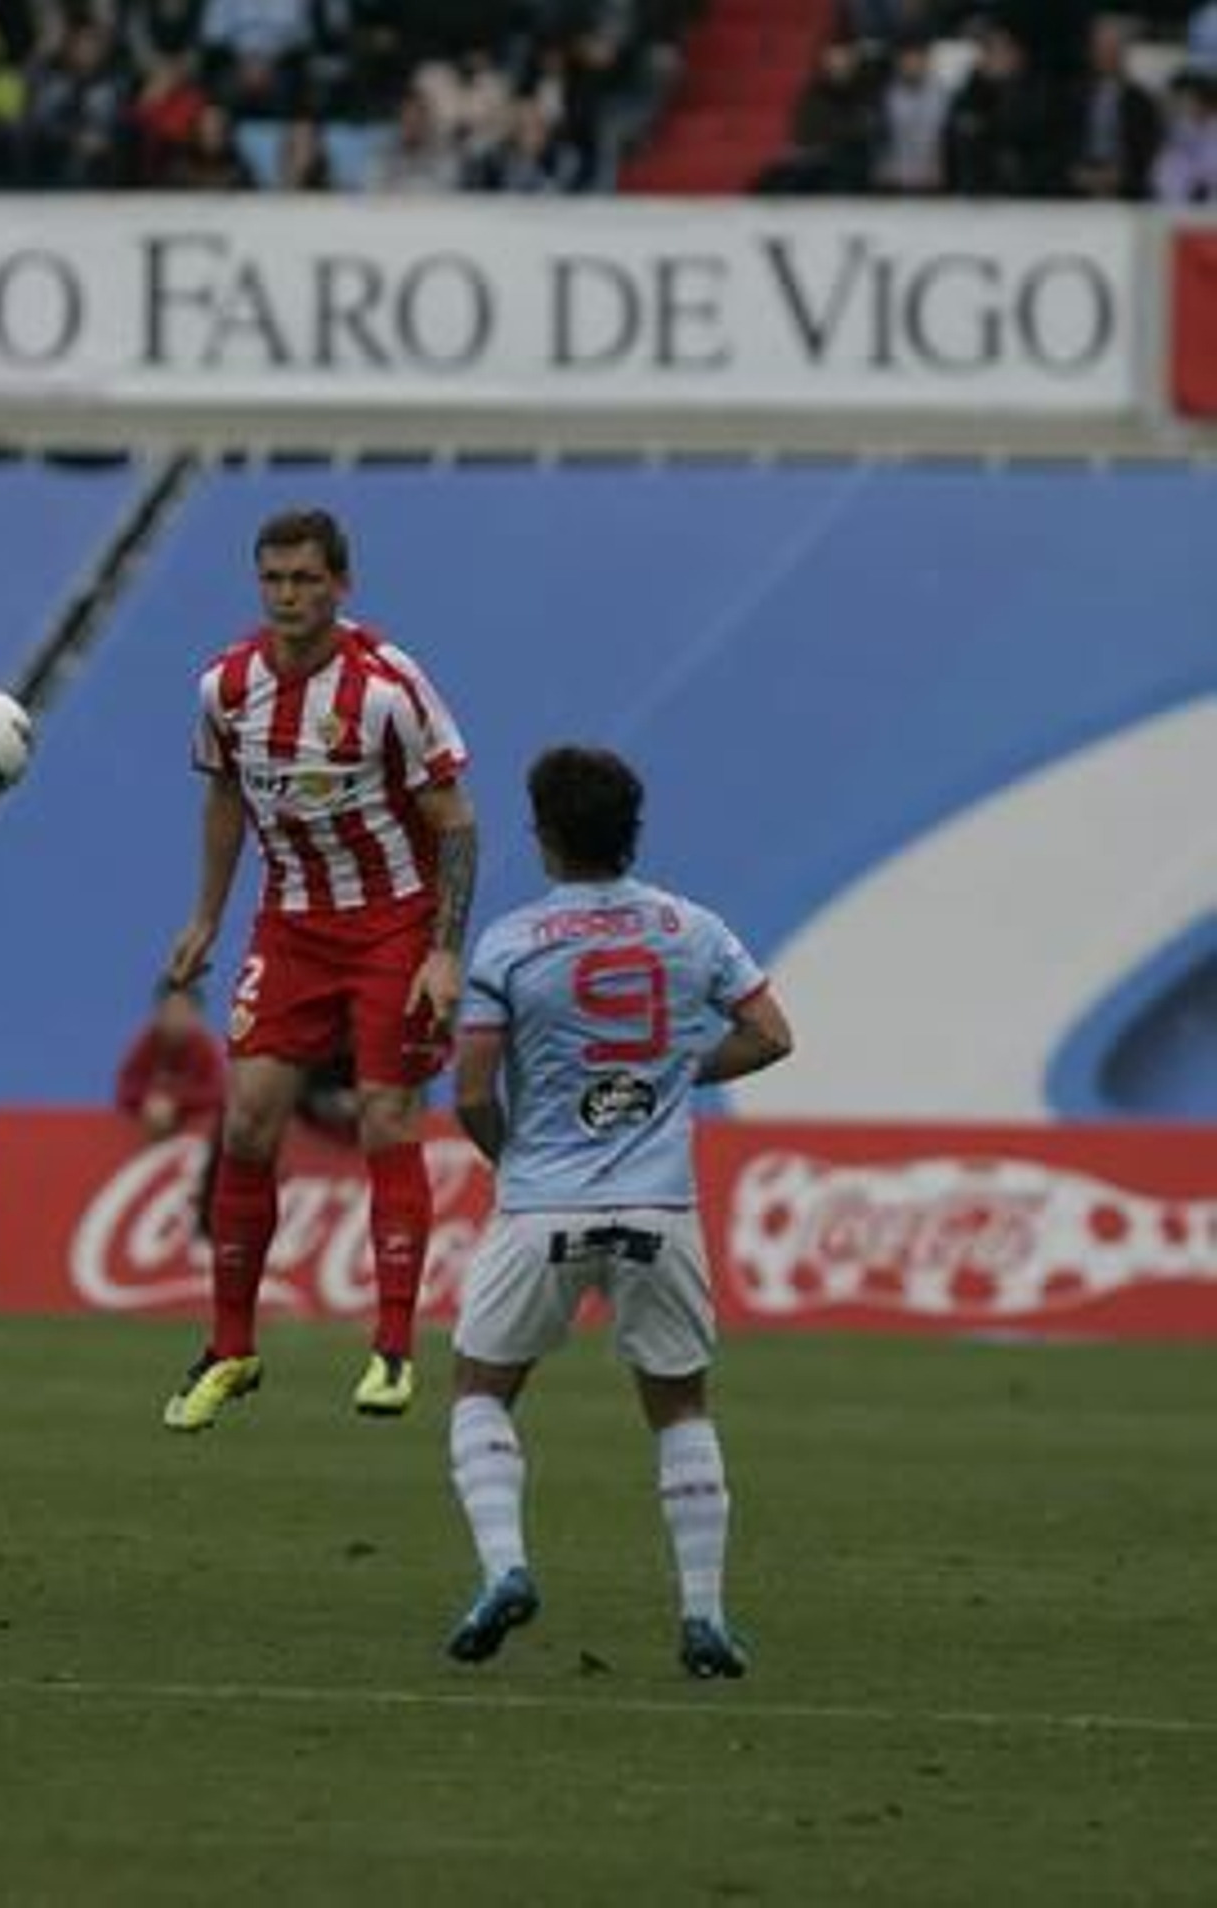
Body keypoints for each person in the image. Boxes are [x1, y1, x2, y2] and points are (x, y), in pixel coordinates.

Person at [442, 745, 793, 1679]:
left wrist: (515, 1158)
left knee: (481, 1391)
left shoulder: (511, 943)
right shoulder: (693, 926)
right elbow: (771, 1036)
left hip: (542, 1204)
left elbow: (471, 1092)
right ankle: (706, 1617)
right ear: (631, 831)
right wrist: (676, 1073)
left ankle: (507, 1567)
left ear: (545, 835)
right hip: (660, 1208)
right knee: (679, 1406)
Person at [161, 505, 476, 1432]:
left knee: (385, 1116)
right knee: (250, 1123)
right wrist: (207, 916)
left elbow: (456, 822)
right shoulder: (224, 686)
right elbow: (224, 796)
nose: (289, 595)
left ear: (341, 584)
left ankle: (390, 1349)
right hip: (289, 926)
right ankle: (229, 1350)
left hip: (393, 926)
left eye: (306, 579)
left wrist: (445, 953)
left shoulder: (387, 686)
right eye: (274, 579)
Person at [115, 977, 226, 1235]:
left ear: (197, 1016)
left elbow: (219, 1092)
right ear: (157, 1013)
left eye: (183, 1012)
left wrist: (175, 1104)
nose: (175, 1019)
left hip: (199, 1159)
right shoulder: (146, 1044)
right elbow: (125, 1089)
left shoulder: (204, 1048)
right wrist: (147, 1102)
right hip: (149, 1170)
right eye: (169, 1011)